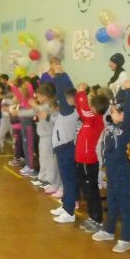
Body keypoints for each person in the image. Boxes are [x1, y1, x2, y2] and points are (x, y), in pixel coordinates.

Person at [91, 79, 130, 252]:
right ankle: (109, 230)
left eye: (114, 112)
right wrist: (121, 90)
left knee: (123, 204)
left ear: (123, 115)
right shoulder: (111, 124)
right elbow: (116, 102)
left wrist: (129, 92)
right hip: (110, 170)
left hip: (121, 171)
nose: (110, 114)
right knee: (111, 201)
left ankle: (126, 239)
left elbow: (128, 109)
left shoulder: (125, 128)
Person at [75, 83, 109, 234]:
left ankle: (98, 220)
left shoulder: (96, 119)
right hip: (81, 160)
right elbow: (80, 109)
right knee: (86, 191)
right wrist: (79, 95)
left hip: (88, 162)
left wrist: (82, 93)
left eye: (91, 106)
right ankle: (92, 217)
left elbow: (83, 110)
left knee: (91, 192)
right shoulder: (89, 119)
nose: (88, 107)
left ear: (94, 108)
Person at [48, 61, 79, 224]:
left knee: (68, 180)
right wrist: (62, 74)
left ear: (71, 101)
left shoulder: (69, 111)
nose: (62, 101)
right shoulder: (68, 109)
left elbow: (62, 93)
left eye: (66, 99)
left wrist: (59, 75)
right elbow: (66, 92)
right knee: (66, 180)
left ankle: (69, 211)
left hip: (66, 149)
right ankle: (67, 204)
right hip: (62, 149)